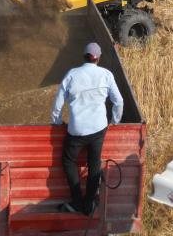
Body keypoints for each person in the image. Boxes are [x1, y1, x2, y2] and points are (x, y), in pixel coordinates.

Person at [51, 42, 124, 215]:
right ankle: (89, 203)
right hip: (99, 129)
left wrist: (57, 122)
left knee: (68, 162)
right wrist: (114, 121)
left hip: (77, 130)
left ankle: (77, 201)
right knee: (94, 164)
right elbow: (118, 101)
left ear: (84, 56)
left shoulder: (72, 74)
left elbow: (58, 103)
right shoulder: (106, 74)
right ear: (98, 58)